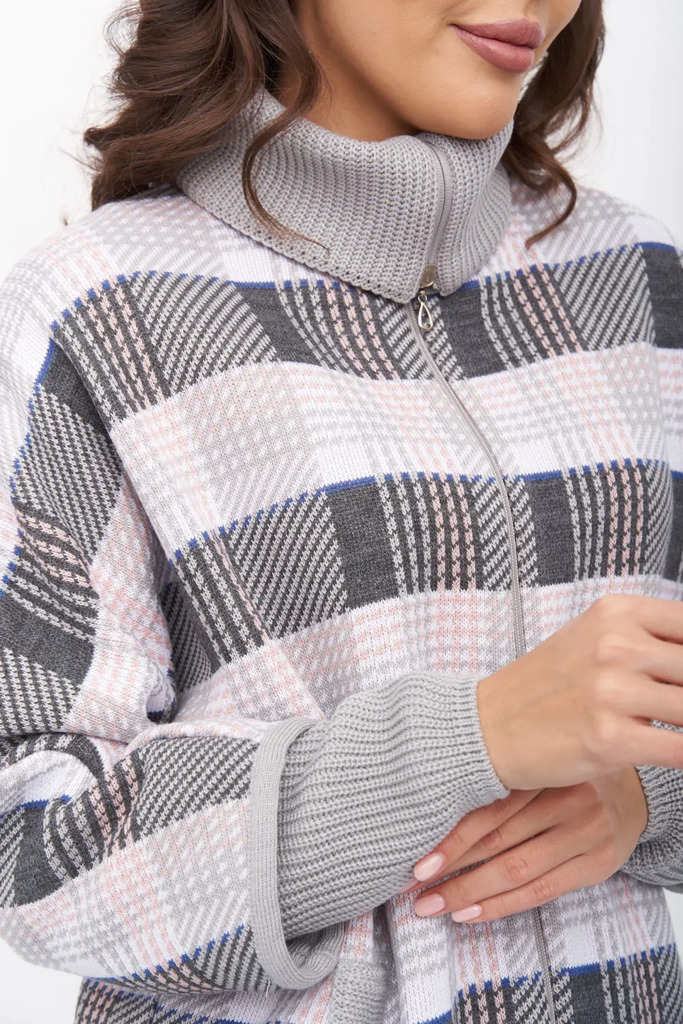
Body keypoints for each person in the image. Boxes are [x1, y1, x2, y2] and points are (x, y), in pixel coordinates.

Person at [1, 0, 682, 1021]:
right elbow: (32, 851)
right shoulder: (102, 306)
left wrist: (641, 792)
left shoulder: (635, 274)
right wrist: (462, 742)